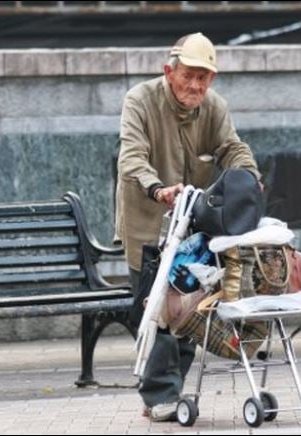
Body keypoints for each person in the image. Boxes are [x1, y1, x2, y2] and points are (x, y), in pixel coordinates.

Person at [115, 32, 262, 422]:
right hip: (148, 222)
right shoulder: (139, 101)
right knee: (158, 306)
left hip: (192, 228)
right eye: (189, 76)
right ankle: (159, 394)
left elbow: (233, 148)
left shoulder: (214, 107)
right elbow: (131, 159)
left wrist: (248, 176)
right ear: (169, 70)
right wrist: (159, 189)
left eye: (205, 77)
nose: (196, 85)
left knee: (190, 305)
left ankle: (171, 391)